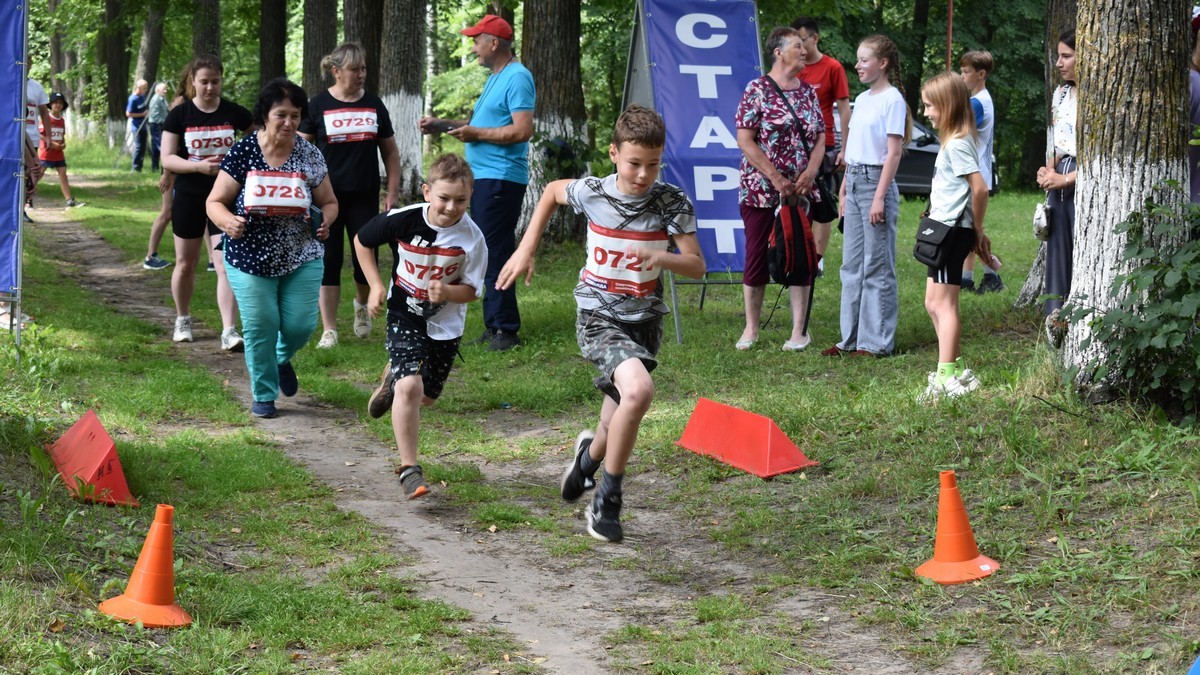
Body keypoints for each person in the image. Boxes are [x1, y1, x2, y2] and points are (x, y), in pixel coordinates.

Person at [496, 105, 706, 543]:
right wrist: (526, 248)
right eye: (633, 163)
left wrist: (661, 256)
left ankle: (586, 462)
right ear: (613, 153)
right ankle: (607, 502)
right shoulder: (593, 192)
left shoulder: (671, 202)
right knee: (639, 392)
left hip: (644, 320)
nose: (643, 174)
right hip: (598, 315)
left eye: (653, 164)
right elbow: (552, 191)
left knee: (617, 418)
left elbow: (696, 265)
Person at [355, 154, 487, 499]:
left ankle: (391, 378)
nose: (451, 207)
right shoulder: (403, 219)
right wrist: (375, 284)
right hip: (404, 314)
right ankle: (409, 468)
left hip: (446, 325)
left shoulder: (473, 239)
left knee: (425, 397)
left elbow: (472, 291)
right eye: (444, 198)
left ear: (470, 198)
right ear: (427, 191)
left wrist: (448, 291)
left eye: (461, 200)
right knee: (410, 387)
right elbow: (361, 240)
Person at [206, 78, 337, 419]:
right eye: (281, 115)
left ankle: (281, 358)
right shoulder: (244, 152)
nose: (289, 123)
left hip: (301, 254)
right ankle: (264, 394)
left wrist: (326, 221)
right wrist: (226, 222)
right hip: (249, 255)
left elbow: (329, 201)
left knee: (300, 325)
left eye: (295, 115)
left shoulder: (309, 154)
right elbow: (215, 202)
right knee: (261, 323)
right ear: (264, 115)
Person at [419, 14, 535, 352]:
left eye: (476, 40)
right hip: (484, 178)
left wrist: (474, 132)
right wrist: (441, 124)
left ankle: (505, 330)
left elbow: (522, 130)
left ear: (493, 43)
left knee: (495, 250)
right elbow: (480, 125)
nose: (473, 48)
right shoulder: (496, 77)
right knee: (485, 249)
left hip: (501, 178)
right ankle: (494, 324)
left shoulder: (517, 76)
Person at [300, 42, 402, 350]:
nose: (361, 75)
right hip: (326, 198)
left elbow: (391, 152)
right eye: (355, 69)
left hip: (364, 195)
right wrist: (303, 195)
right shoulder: (317, 105)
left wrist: (392, 192)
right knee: (329, 260)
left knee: (363, 260)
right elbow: (302, 154)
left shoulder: (373, 104)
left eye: (364, 69)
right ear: (336, 71)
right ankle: (329, 330)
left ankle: (361, 305)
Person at [733, 26, 825, 352]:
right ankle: (751, 329)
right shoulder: (756, 90)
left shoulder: (808, 92)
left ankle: (800, 331)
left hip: (801, 190)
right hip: (760, 189)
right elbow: (745, 139)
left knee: (800, 256)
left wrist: (812, 171)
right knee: (756, 255)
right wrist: (776, 178)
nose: (804, 50)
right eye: (798, 46)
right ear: (778, 52)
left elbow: (820, 137)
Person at [821, 34, 912, 358]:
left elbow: (893, 153)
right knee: (851, 266)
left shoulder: (893, 100)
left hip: (877, 185)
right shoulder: (863, 99)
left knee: (877, 266)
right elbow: (854, 152)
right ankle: (850, 339)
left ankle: (875, 343)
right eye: (858, 60)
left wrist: (878, 198)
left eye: (864, 59)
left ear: (882, 63)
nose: (857, 65)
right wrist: (844, 189)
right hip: (856, 182)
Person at [161, 55, 254, 350]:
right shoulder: (180, 115)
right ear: (193, 82)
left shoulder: (233, 113)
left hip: (226, 197)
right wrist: (199, 167)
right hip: (189, 196)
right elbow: (168, 157)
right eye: (204, 82)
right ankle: (182, 319)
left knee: (225, 264)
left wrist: (239, 165)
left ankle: (229, 329)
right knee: (186, 263)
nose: (210, 87)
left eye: (215, 81)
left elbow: (258, 139)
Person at [916, 72, 994, 403]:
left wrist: (977, 229)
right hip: (944, 231)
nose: (925, 113)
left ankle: (946, 377)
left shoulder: (959, 143)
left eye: (929, 106)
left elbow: (979, 188)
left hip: (954, 232)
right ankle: (958, 370)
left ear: (946, 106)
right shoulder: (952, 141)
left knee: (944, 304)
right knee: (932, 302)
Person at [791, 16, 850, 272]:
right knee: (796, 198)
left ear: (814, 38)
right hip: (795, 145)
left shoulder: (832, 67)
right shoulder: (794, 67)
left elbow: (844, 109)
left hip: (823, 144)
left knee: (822, 199)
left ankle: (818, 257)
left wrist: (846, 149)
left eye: (801, 40)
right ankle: (796, 252)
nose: (799, 48)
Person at [1036, 29, 1077, 321]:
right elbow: (1060, 142)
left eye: (1066, 56)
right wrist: (1048, 168)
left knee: (1080, 248)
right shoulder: (1061, 93)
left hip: (1079, 179)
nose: (1059, 63)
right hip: (1059, 179)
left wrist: (1067, 178)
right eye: (1058, 56)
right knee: (1057, 248)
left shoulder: (1096, 96)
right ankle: (1056, 317)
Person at [958, 50, 1004, 294]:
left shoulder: (978, 103)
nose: (962, 76)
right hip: (979, 171)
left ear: (981, 74)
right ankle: (977, 277)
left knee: (972, 228)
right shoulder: (982, 99)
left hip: (975, 174)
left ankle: (990, 274)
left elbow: (959, 133)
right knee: (971, 227)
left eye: (966, 72)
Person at [144, 68, 194, 271]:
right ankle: (150, 255)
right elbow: (170, 142)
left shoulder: (199, 103)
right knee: (167, 212)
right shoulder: (181, 103)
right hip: (173, 167)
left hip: (189, 166)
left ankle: (213, 260)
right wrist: (166, 172)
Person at [37, 92, 81, 207]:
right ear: (50, 105)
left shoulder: (62, 120)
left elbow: (61, 135)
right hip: (46, 153)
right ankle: (27, 196)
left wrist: (63, 144)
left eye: (60, 103)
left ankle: (69, 199)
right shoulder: (46, 118)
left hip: (58, 153)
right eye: (55, 103)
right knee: (39, 174)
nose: (58, 105)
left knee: (63, 174)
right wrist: (51, 143)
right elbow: (40, 134)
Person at [126, 79, 150, 172]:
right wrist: (142, 115)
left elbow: (143, 108)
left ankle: (140, 167)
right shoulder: (133, 99)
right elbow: (128, 114)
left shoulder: (142, 97)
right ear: (139, 88)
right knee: (139, 146)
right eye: (144, 88)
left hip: (143, 124)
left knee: (143, 146)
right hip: (136, 125)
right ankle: (135, 167)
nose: (146, 90)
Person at [147, 82, 169, 173]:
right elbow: (154, 115)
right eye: (164, 89)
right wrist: (165, 122)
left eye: (166, 89)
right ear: (158, 90)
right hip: (156, 125)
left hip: (160, 124)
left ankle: (154, 167)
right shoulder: (155, 99)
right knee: (160, 146)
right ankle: (163, 168)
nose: (166, 91)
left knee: (156, 147)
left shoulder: (163, 99)